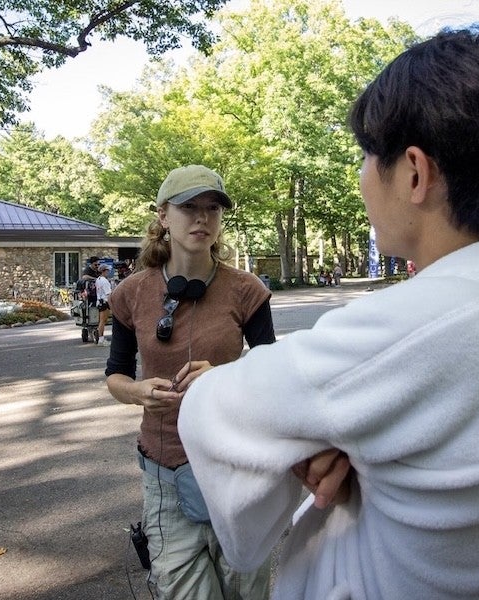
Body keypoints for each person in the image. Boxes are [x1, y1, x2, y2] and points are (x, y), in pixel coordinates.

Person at [178, 27, 479, 599]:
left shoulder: (414, 325)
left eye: (368, 156)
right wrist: (347, 444)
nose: (363, 177)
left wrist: (305, 440)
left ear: (415, 173)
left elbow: (214, 411)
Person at [104, 164, 276, 599]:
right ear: (163, 216)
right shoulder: (130, 293)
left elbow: (274, 373)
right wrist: (137, 392)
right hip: (165, 474)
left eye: (212, 208)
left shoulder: (247, 290)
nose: (202, 218)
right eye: (189, 207)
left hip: (237, 470)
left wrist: (224, 377)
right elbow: (116, 375)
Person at [95, 263, 112, 346]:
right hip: (104, 302)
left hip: (99, 301)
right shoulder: (104, 281)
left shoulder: (98, 280)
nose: (108, 272)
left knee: (101, 321)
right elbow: (108, 293)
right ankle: (101, 340)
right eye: (107, 270)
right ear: (104, 271)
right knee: (103, 321)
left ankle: (101, 339)